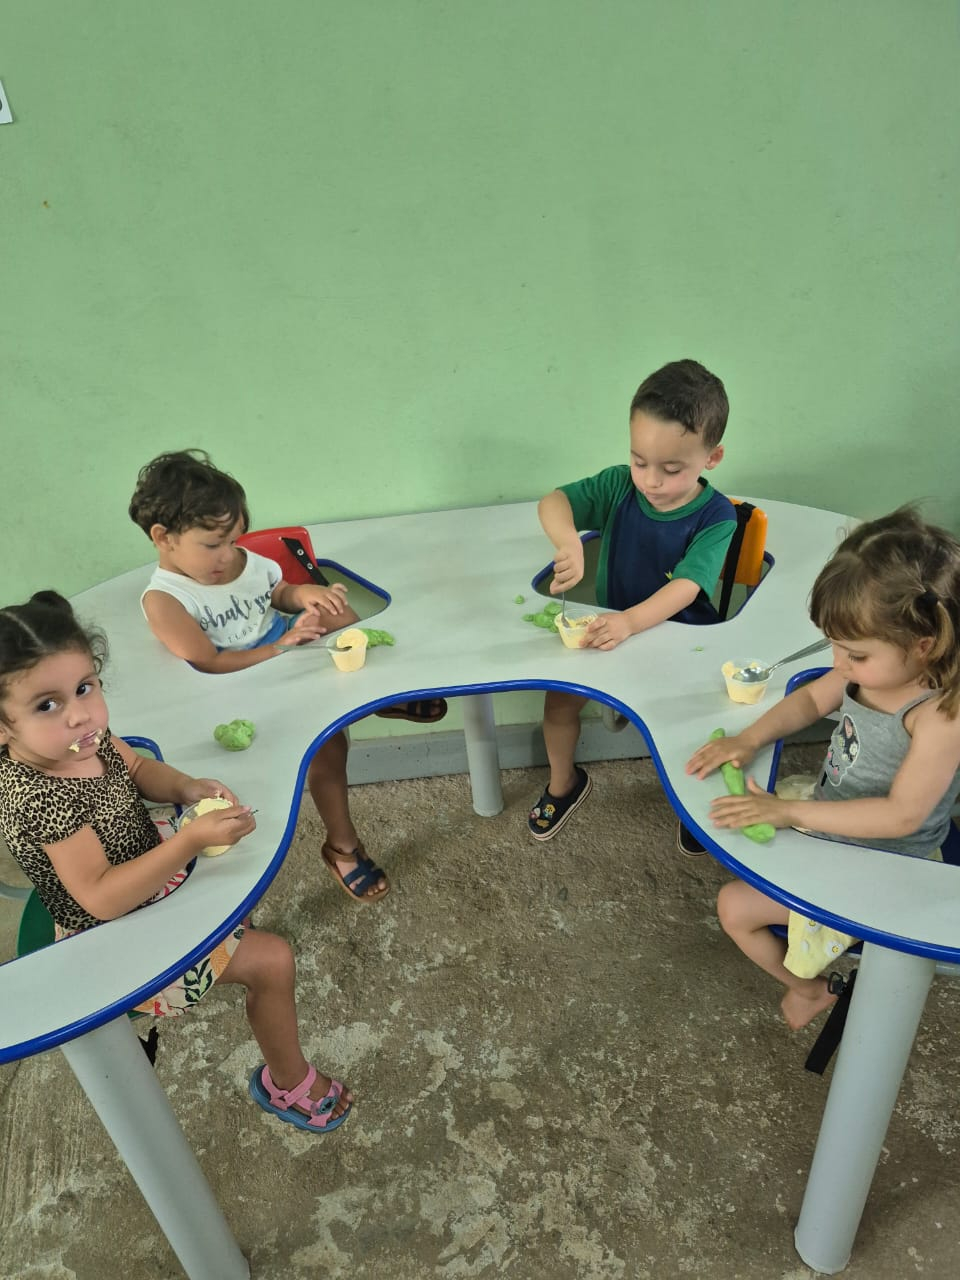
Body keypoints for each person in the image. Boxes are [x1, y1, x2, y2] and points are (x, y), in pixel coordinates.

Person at [0, 591, 352, 1133]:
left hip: (148, 862)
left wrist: (186, 787)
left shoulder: (80, 738)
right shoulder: (39, 796)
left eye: (85, 687)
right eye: (47, 705)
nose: (79, 714)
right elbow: (100, 896)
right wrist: (189, 843)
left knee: (240, 880)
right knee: (272, 961)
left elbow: (138, 768)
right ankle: (288, 1084)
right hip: (113, 928)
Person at [129, 449, 446, 904]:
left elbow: (276, 592)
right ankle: (342, 846)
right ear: (163, 537)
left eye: (234, 539)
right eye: (213, 545)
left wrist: (305, 596)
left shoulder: (240, 562)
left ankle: (381, 696)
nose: (228, 555)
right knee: (327, 748)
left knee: (336, 614)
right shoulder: (166, 600)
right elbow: (209, 663)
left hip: (289, 653)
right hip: (241, 690)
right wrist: (280, 649)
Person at [686, 508, 960, 1030]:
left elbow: (901, 817)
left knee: (733, 908)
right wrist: (749, 738)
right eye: (834, 645)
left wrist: (787, 812)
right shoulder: (865, 672)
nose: (839, 663)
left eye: (854, 654)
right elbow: (811, 700)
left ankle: (809, 989)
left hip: (886, 861)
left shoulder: (940, 716)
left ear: (923, 646)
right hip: (830, 814)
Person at [528, 358, 736, 840]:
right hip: (610, 630)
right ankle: (563, 783)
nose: (650, 480)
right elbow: (554, 502)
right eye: (640, 461)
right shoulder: (619, 484)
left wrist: (630, 622)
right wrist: (569, 541)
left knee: (690, 722)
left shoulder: (717, 516)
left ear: (712, 458)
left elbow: (687, 587)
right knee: (558, 701)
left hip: (682, 637)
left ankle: (694, 805)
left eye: (671, 469)